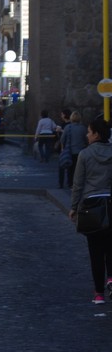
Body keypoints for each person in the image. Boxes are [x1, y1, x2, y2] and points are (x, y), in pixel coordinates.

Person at [68, 118, 112, 304]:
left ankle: (99, 293)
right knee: (111, 247)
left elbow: (78, 184)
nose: (86, 135)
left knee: (95, 251)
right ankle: (111, 278)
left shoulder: (85, 155)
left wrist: (74, 208)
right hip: (110, 202)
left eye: (89, 132)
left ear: (96, 134)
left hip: (92, 206)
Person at [59, 111, 88, 189]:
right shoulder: (83, 128)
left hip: (70, 151)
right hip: (81, 152)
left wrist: (63, 149)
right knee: (79, 169)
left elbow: (62, 139)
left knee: (70, 169)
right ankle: (78, 183)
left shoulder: (67, 127)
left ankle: (70, 183)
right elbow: (86, 140)